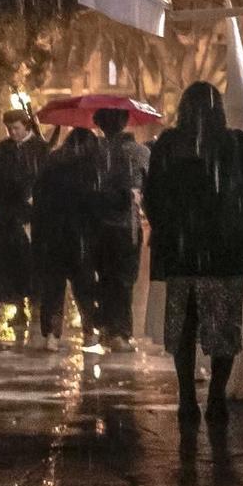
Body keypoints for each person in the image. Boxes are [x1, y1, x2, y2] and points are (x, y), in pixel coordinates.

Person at [144, 81, 243, 448]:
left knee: (185, 326)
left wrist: (171, 230)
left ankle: (185, 398)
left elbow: (153, 197)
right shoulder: (234, 145)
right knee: (224, 327)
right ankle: (215, 397)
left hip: (182, 257)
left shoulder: (167, 145)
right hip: (225, 257)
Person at [30, 129, 100, 349]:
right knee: (84, 287)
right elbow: (92, 206)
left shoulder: (51, 163)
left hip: (52, 235)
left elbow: (39, 201)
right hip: (78, 237)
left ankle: (52, 334)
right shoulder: (89, 168)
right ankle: (89, 331)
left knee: (52, 288)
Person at [89, 108, 149, 352]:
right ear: (126, 123)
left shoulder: (92, 153)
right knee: (124, 280)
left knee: (103, 277)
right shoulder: (140, 153)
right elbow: (150, 189)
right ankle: (121, 332)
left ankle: (104, 326)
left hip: (97, 227)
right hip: (127, 227)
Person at [0, 111, 46, 326]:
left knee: (34, 262)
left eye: (16, 128)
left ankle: (37, 305)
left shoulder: (40, 149)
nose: (12, 132)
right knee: (13, 263)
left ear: (26, 126)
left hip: (34, 214)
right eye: (9, 129)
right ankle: (19, 307)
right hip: (8, 215)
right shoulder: (2, 150)